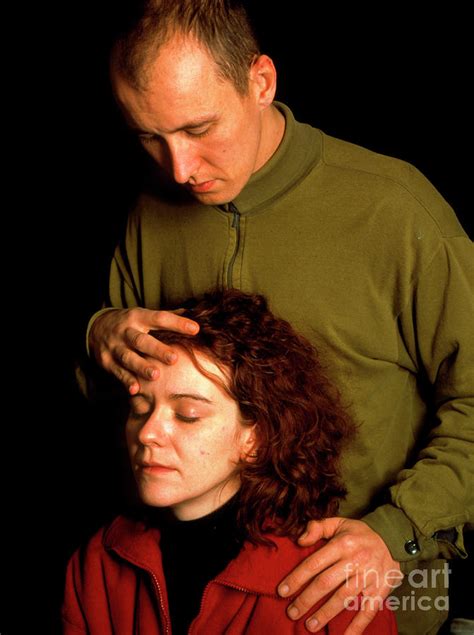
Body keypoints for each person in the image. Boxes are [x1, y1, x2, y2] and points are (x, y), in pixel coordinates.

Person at [82, 1, 474, 633]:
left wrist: (399, 533)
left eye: (198, 128)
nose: (178, 169)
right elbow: (124, 403)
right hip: (188, 598)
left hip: (371, 602)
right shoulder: (148, 212)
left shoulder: (396, 212)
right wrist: (97, 333)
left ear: (261, 82)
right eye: (149, 137)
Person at [64, 289, 398, 634]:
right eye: (140, 409)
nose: (147, 433)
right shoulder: (96, 563)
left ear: (254, 440)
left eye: (187, 415)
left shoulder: (337, 587)